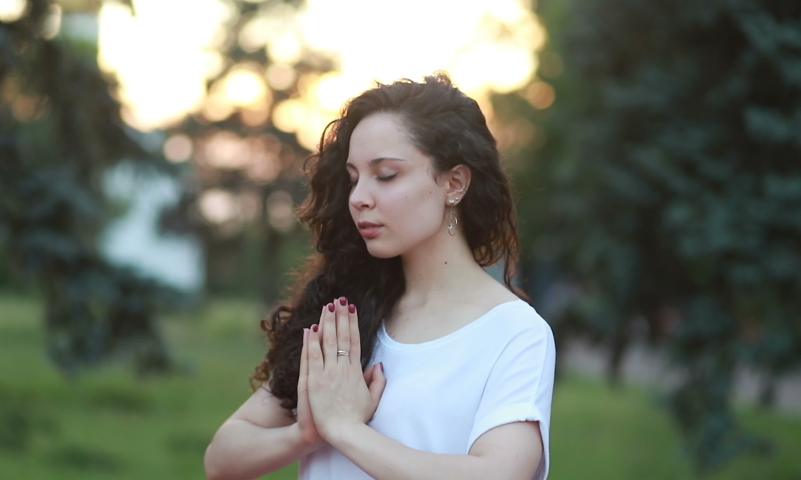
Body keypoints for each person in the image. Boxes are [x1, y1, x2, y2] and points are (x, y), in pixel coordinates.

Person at [204, 73, 556, 480]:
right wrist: (306, 434)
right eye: (354, 179)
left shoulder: (514, 333)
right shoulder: (344, 311)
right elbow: (221, 458)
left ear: (454, 183)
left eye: (386, 175)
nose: (358, 198)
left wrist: (346, 430)